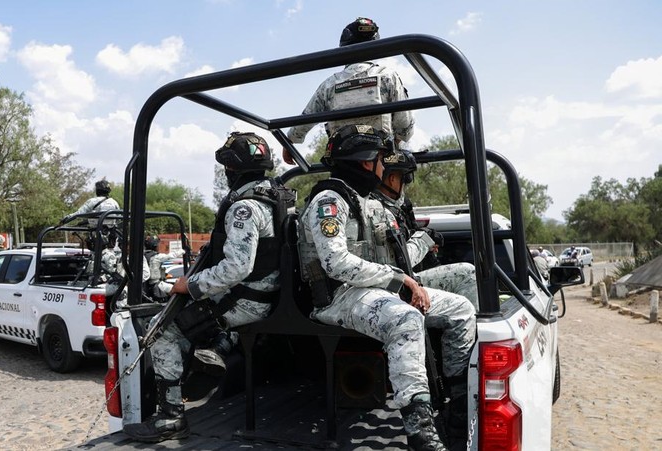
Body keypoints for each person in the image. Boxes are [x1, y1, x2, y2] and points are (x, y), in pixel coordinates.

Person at [297, 125, 475, 451]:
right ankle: (419, 428)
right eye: (381, 159)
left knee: (461, 310)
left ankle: (459, 403)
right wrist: (401, 280)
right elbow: (335, 263)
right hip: (338, 295)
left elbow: (389, 256)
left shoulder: (366, 202)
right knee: (405, 318)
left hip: (373, 289)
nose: (383, 167)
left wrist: (405, 273)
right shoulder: (329, 201)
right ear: (367, 162)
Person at [123, 132, 293, 443]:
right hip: (272, 295)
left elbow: (236, 268)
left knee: (163, 331)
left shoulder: (244, 208)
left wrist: (190, 285)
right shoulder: (277, 196)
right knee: (201, 318)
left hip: (247, 300)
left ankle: (170, 417)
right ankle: (217, 349)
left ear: (232, 169)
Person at [284, 17, 414, 164]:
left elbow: (307, 117)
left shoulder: (329, 85)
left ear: (343, 47)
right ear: (376, 47)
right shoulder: (388, 77)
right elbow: (405, 127)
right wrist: (394, 143)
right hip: (378, 161)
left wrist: (289, 141)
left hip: (342, 161)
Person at [374, 148, 480, 311]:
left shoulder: (395, 208)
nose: (405, 187)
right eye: (404, 179)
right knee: (467, 273)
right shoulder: (379, 211)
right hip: (394, 284)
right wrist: (424, 239)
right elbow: (398, 262)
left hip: (398, 280)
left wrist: (426, 246)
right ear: (392, 179)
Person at [143, 235, 185, 302]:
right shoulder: (156, 257)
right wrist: (183, 250)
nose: (159, 246)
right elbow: (171, 256)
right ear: (155, 246)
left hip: (147, 287)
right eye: (158, 245)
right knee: (177, 290)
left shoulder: (143, 256)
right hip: (157, 285)